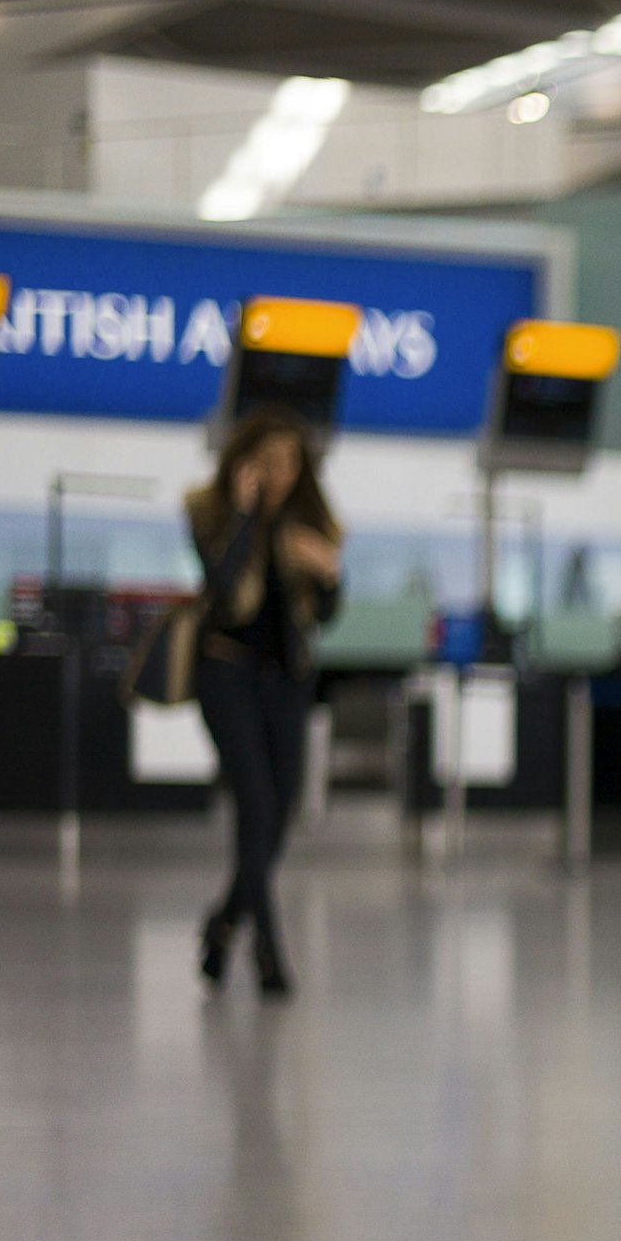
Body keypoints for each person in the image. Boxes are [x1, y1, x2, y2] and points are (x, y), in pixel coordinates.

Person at [187, 407, 343, 998]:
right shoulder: (210, 513)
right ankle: (269, 949)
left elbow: (323, 618)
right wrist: (247, 517)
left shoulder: (311, 523)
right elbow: (224, 592)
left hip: (286, 682)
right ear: (245, 463)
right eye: (269, 464)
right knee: (253, 803)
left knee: (279, 813)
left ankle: (225, 922)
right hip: (226, 674)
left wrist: (327, 575)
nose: (280, 475)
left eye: (290, 465)